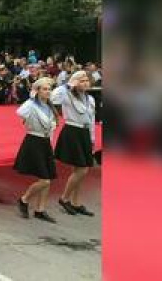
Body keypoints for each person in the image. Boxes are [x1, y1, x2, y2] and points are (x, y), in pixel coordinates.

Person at [51, 71, 97, 217]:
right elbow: (53, 96)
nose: (85, 83)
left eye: (86, 80)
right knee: (82, 169)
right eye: (81, 80)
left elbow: (91, 121)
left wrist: (92, 139)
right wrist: (69, 84)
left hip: (84, 134)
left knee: (81, 170)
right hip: (72, 131)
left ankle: (76, 203)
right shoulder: (67, 95)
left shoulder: (90, 99)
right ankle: (64, 198)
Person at [14, 77, 59, 223]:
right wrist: (32, 99)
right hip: (33, 140)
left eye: (49, 89)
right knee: (45, 180)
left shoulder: (50, 106)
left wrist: (50, 142)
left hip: (45, 142)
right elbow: (20, 112)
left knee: (47, 179)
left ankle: (40, 209)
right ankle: (24, 199)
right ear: (37, 91)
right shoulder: (32, 105)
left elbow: (51, 127)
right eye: (44, 89)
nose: (48, 92)